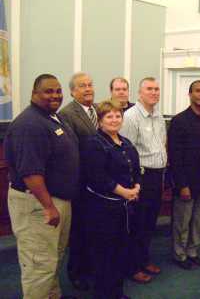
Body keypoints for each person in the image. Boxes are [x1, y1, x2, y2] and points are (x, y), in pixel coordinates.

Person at [4, 74, 79, 299]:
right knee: (39, 265)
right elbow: (31, 173)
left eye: (57, 91)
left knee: (52, 259)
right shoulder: (29, 124)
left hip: (58, 200)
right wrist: (48, 206)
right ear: (34, 94)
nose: (55, 95)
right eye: (48, 91)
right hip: (38, 204)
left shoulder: (52, 118)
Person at [83, 100, 141, 299]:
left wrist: (137, 187)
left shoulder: (125, 142)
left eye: (118, 116)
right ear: (100, 121)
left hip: (124, 208)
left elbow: (135, 168)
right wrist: (124, 192)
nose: (114, 119)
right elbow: (97, 177)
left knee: (120, 252)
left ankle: (117, 293)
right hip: (103, 209)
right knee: (104, 255)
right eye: (109, 116)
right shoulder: (94, 143)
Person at [120, 77, 167, 283]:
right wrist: (133, 183)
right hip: (141, 178)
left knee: (149, 224)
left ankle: (144, 259)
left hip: (158, 177)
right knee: (137, 225)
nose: (154, 92)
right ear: (139, 93)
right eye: (149, 89)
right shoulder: (130, 117)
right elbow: (125, 151)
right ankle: (132, 267)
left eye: (157, 89)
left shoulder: (158, 116)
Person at [168, 80, 200, 270]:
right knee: (183, 218)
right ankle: (179, 254)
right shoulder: (179, 121)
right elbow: (174, 156)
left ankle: (192, 251)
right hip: (187, 178)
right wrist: (182, 185)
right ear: (190, 94)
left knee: (199, 217)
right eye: (198, 91)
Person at [59, 72, 98, 290]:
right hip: (81, 184)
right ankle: (76, 273)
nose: (88, 89)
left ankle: (91, 268)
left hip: (99, 183)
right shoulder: (67, 114)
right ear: (73, 91)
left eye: (90, 85)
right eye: (82, 86)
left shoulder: (97, 110)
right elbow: (71, 151)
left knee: (93, 230)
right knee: (79, 232)